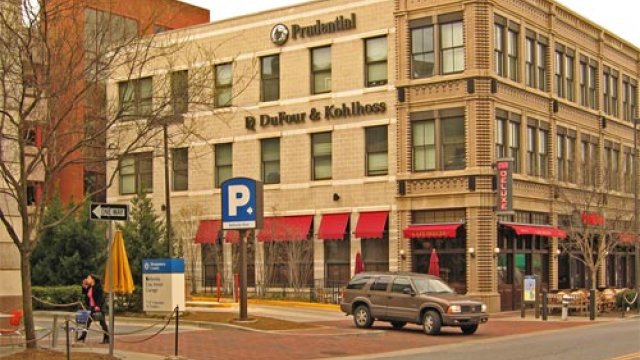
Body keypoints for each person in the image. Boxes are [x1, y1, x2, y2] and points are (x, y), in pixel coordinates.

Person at [78, 274, 110, 344]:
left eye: (88, 278)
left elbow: (101, 298)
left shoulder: (98, 287)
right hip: (91, 307)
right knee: (87, 322)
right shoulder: (90, 287)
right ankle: (83, 336)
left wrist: (98, 306)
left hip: (99, 307)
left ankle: (107, 337)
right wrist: (83, 286)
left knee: (102, 323)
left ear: (93, 279)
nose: (87, 279)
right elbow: (85, 294)